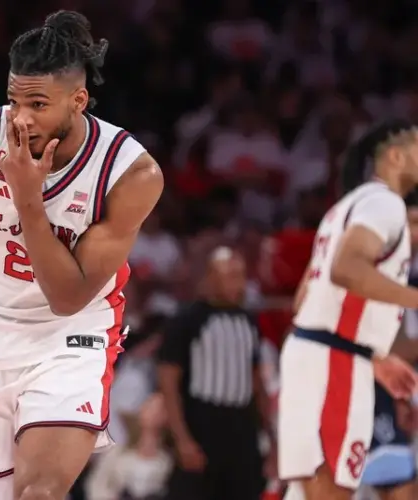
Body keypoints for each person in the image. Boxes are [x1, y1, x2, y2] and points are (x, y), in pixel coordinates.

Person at [0, 9, 164, 500]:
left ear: (78, 100)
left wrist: (28, 200)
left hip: (70, 338)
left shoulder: (130, 173)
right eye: (14, 100)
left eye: (38, 103)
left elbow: (68, 297)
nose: (22, 117)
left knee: (42, 493)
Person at [279, 120, 418, 500]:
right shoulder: (384, 202)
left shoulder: (345, 207)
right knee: (329, 492)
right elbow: (346, 270)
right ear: (395, 156)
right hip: (332, 362)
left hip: (321, 354)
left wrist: (373, 355)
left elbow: (305, 298)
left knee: (307, 494)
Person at [159, 247, 273, 500]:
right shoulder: (187, 320)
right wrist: (182, 439)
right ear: (211, 278)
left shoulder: (249, 321)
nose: (239, 283)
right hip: (202, 425)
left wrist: (271, 435)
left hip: (243, 429)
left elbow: (256, 382)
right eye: (231, 275)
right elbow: (168, 383)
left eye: (241, 275)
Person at [359, 206, 418, 500]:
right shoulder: (372, 274)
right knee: (399, 487)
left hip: (404, 387)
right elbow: (392, 346)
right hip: (380, 389)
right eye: (412, 223)